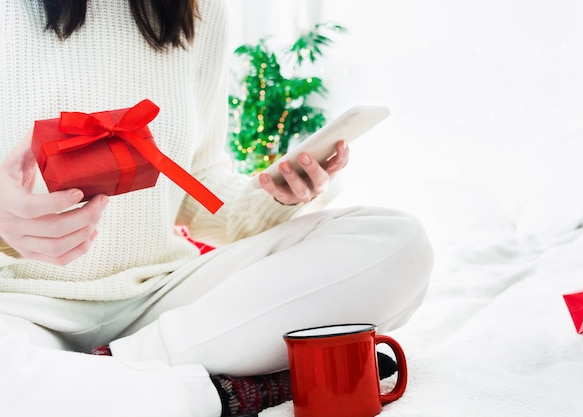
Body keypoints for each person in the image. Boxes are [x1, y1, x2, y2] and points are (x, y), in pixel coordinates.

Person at [0, 1, 433, 416]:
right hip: (20, 308)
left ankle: (117, 374)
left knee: (398, 242)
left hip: (163, 298)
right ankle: (220, 388)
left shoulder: (198, 11)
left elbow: (198, 185)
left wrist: (276, 195)